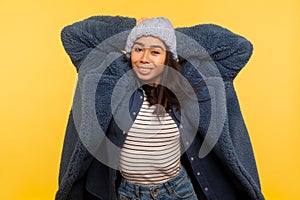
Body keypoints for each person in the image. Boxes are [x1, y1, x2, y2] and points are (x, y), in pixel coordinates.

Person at [56, 16, 264, 200]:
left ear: (168, 57)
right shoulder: (112, 79)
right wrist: (134, 29)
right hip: (129, 193)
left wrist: (169, 36)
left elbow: (238, 47)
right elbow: (73, 35)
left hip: (177, 191)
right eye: (138, 49)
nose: (144, 58)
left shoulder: (187, 84)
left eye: (155, 51)